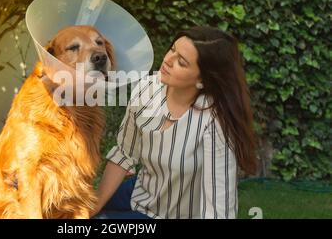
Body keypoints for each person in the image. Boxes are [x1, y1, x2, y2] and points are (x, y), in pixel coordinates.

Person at [91, 26, 258, 219]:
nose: (167, 60)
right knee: (72, 213)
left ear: (202, 79)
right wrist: (92, 207)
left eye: (181, 62)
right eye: (173, 49)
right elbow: (124, 154)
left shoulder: (214, 122)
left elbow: (220, 207)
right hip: (141, 193)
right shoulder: (147, 88)